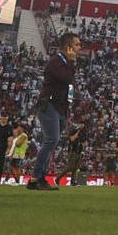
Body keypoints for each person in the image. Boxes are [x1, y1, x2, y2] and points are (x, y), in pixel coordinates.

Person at [27, 32, 79, 191]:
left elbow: (70, 86)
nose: (79, 47)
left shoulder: (65, 63)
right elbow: (67, 79)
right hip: (48, 104)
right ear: (68, 47)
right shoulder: (56, 61)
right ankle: (36, 178)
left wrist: (69, 103)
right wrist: (71, 63)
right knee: (51, 140)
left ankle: (40, 176)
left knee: (52, 141)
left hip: (60, 108)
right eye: (77, 44)